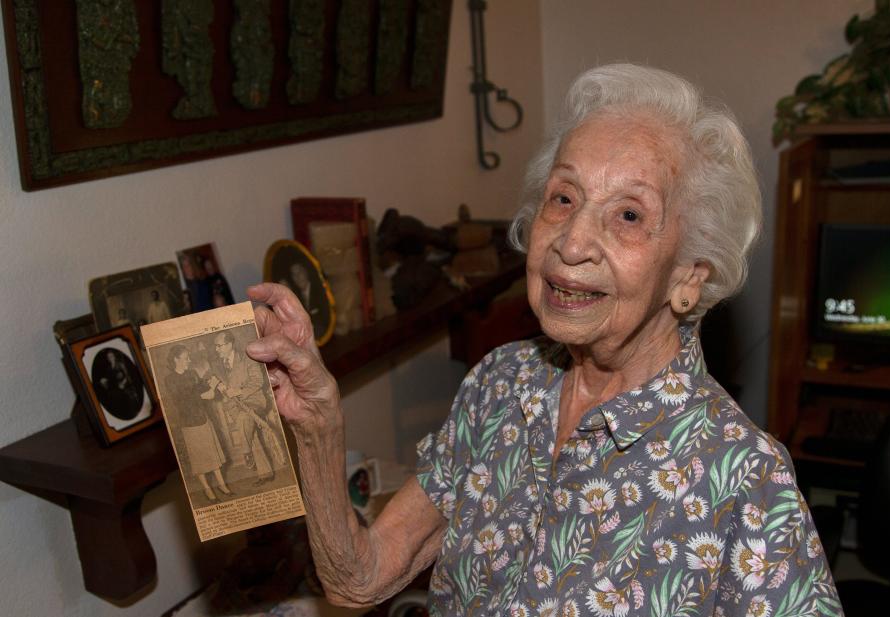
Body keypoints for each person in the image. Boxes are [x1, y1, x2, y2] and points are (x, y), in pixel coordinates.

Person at [245, 64, 841, 615]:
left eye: (628, 215)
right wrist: (318, 428)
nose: (572, 241)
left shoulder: (742, 475)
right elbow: (359, 580)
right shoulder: (499, 385)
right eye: (564, 198)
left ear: (688, 275)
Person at [211, 330, 282, 486]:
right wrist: (218, 387)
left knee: (245, 419)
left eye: (219, 346)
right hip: (234, 406)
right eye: (216, 346)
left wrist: (238, 391)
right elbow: (220, 385)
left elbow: (258, 381)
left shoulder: (247, 358)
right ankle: (265, 474)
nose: (217, 349)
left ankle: (246, 452)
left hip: (255, 401)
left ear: (230, 344)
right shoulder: (218, 365)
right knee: (250, 432)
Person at [164, 344, 232, 502]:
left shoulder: (192, 373)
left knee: (211, 453)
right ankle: (207, 489)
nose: (189, 360)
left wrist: (214, 383)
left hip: (203, 418)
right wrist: (203, 395)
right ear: (176, 359)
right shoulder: (170, 380)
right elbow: (180, 399)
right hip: (189, 422)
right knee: (198, 457)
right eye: (185, 357)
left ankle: (222, 485)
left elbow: (202, 386)